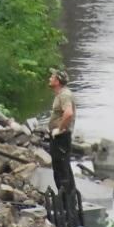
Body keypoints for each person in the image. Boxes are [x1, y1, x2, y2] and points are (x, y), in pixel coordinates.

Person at [47, 67, 76, 201]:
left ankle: (66, 200)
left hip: (61, 137)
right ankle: (67, 198)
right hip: (59, 137)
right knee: (61, 167)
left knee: (62, 169)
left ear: (57, 81)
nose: (49, 78)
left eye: (52, 77)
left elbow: (68, 113)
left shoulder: (64, 95)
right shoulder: (60, 95)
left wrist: (59, 129)